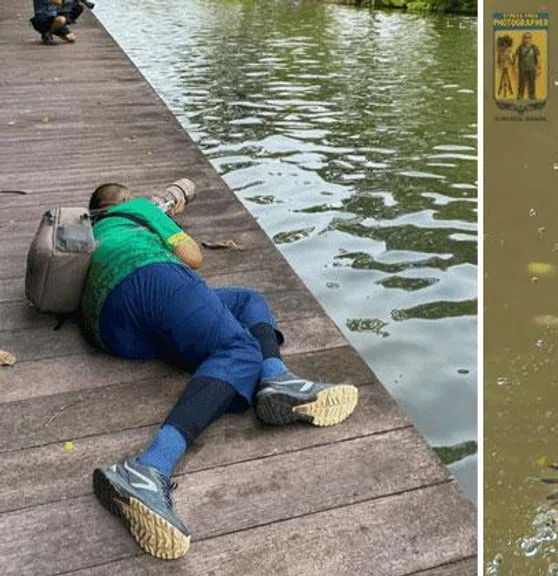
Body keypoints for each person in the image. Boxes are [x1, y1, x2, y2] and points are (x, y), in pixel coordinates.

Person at [81, 183, 359, 560]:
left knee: (247, 300)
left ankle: (276, 377)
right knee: (241, 349)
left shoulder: (91, 229)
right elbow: (193, 257)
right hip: (151, 279)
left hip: (109, 329)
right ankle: (149, 466)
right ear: (126, 198)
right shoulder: (142, 209)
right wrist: (164, 219)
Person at [514, 31, 541, 100]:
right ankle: (520, 95)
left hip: (531, 68)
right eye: (525, 37)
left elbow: (538, 58)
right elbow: (516, 58)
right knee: (521, 83)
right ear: (523, 39)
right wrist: (516, 67)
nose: (527, 39)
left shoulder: (534, 48)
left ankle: (532, 95)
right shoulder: (520, 48)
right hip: (522, 68)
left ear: (531, 39)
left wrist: (539, 68)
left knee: (532, 83)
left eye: (529, 37)